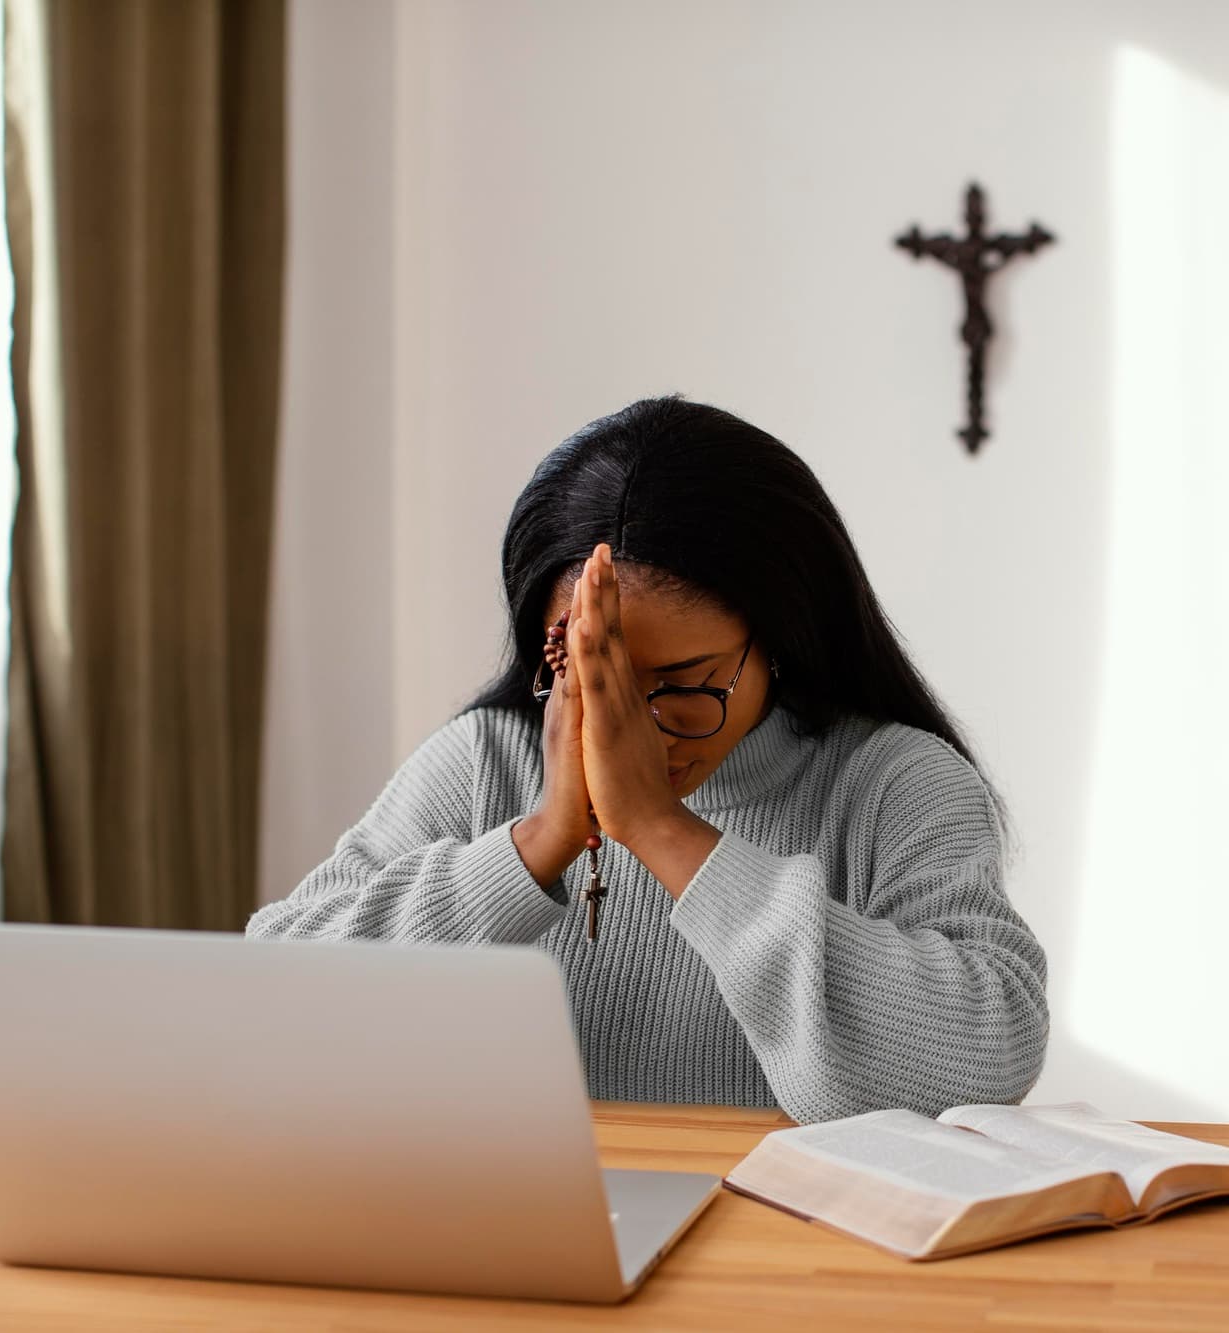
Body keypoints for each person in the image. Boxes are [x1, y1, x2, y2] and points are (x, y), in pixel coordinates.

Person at [247, 396, 1048, 1123]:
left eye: (684, 686)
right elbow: (267, 1011)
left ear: (782, 638)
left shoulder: (894, 780)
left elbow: (986, 1058)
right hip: (518, 1254)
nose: (630, 730)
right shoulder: (482, 762)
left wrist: (665, 833)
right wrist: (536, 844)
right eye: (589, 675)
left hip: (800, 1262)